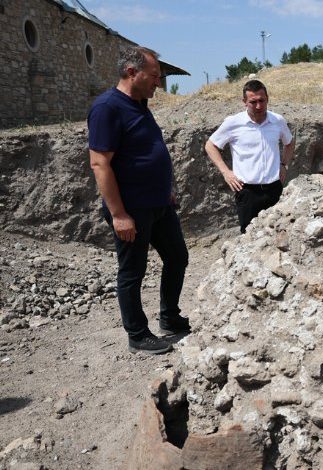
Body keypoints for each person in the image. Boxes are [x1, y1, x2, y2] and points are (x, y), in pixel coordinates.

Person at [88, 46, 189, 355]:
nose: (159, 82)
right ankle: (138, 334)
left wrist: (165, 188)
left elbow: (145, 150)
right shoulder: (107, 108)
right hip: (132, 207)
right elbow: (100, 163)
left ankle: (169, 317)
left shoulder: (140, 104)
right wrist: (119, 214)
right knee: (133, 271)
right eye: (154, 76)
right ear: (132, 72)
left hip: (159, 203)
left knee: (177, 257)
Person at [205, 80, 295, 234]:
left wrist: (284, 165)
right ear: (244, 102)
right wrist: (226, 172)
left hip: (274, 189)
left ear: (267, 99)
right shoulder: (233, 123)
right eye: (253, 102)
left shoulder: (277, 121)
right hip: (247, 192)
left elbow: (290, 142)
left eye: (262, 100)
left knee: (278, 233)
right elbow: (210, 145)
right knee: (249, 237)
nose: (259, 106)